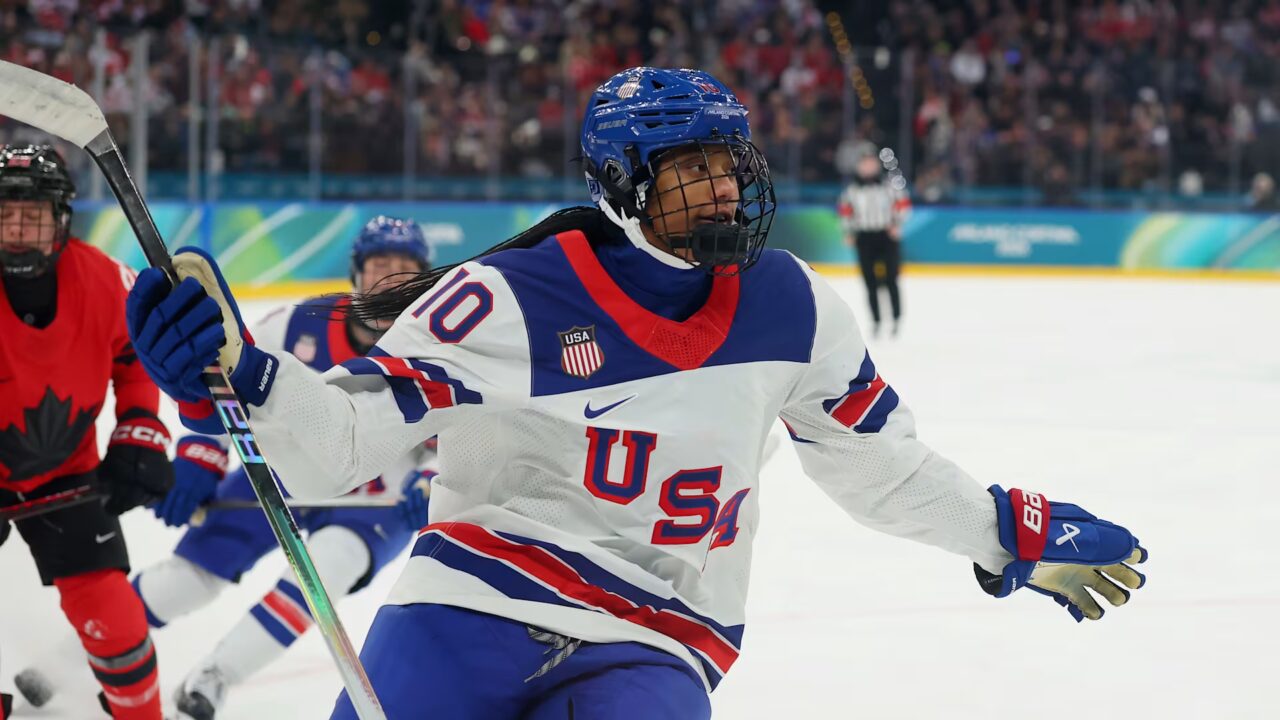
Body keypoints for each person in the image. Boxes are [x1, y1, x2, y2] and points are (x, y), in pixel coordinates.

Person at [124, 68, 1148, 719]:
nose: (723, 190)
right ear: (622, 184)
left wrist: (995, 532)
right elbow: (342, 448)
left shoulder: (792, 308)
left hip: (659, 631)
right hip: (470, 597)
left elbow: (877, 470)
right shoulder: (504, 296)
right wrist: (245, 383)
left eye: (729, 166)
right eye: (689, 171)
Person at [14, 218, 439, 720]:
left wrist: (433, 481)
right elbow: (222, 381)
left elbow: (460, 431)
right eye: (379, 265)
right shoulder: (301, 322)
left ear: (424, 277)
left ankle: (213, 678)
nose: (390, 278)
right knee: (194, 569)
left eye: (404, 268)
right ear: (356, 271)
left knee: (322, 576)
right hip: (282, 475)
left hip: (372, 498)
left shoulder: (433, 343)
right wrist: (201, 460)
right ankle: (70, 658)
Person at [0, 144, 173, 719]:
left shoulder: (103, 280)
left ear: (62, 219)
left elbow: (137, 355)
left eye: (34, 215)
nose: (18, 230)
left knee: (118, 622)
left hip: (67, 473)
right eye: (5, 214)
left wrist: (140, 427)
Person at [837, 151, 910, 337]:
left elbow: (904, 205)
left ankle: (896, 318)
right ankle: (876, 320)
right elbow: (845, 212)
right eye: (864, 164)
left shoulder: (890, 187)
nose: (868, 167)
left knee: (892, 278)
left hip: (886, 236)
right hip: (864, 237)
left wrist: (897, 224)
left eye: (871, 163)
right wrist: (849, 232)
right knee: (869, 281)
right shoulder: (851, 191)